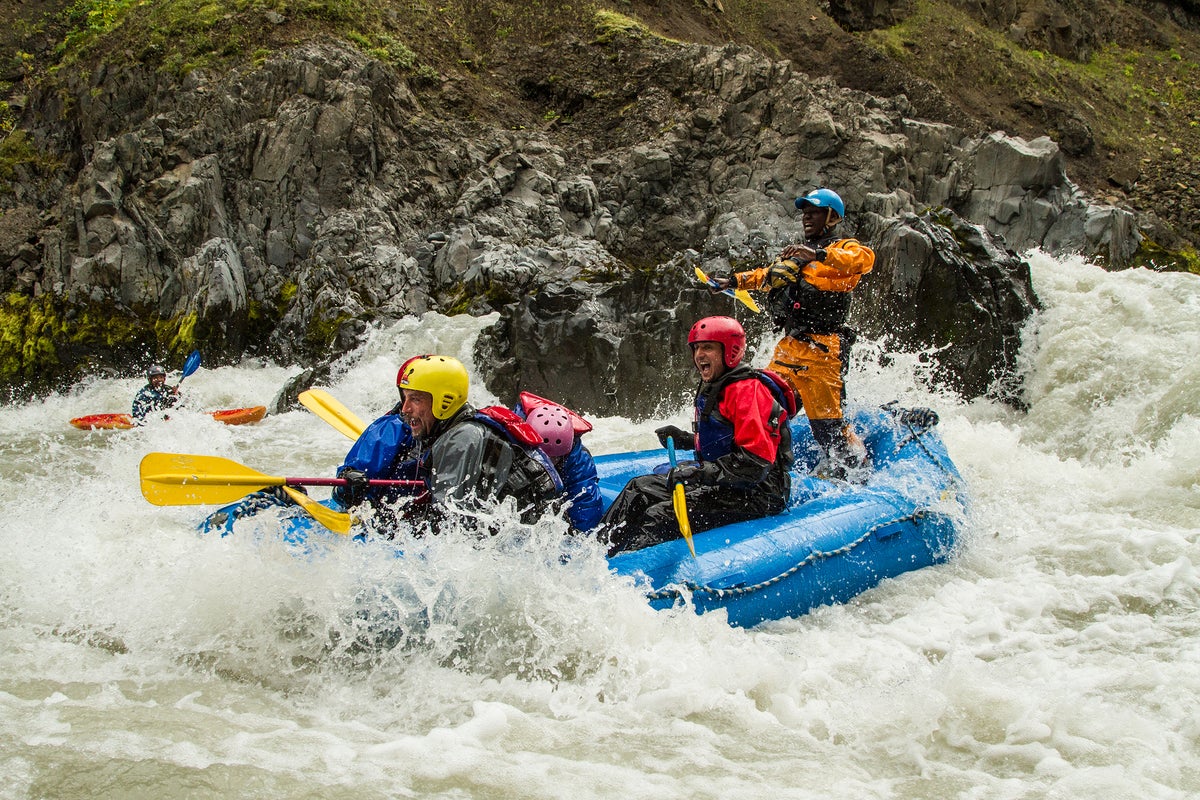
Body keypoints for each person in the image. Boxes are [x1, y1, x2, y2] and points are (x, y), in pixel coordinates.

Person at [710, 188, 875, 479]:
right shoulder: (796, 255)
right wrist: (732, 281)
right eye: (805, 211)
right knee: (762, 405)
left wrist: (819, 253)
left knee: (829, 431)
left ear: (832, 217)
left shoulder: (841, 249)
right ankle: (763, 464)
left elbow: (864, 259)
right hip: (790, 349)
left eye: (814, 211)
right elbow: (765, 275)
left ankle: (859, 468)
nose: (807, 216)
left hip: (823, 353)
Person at [602, 316, 795, 555]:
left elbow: (755, 464)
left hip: (757, 493)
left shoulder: (747, 392)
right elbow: (724, 441)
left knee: (659, 515)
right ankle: (595, 551)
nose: (699, 355)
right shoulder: (719, 384)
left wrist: (697, 472)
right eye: (696, 348)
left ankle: (623, 571)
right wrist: (685, 439)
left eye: (708, 347)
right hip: (727, 484)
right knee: (638, 489)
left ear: (730, 351)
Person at [338, 354, 563, 528]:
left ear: (444, 401)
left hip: (522, 538)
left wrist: (385, 523)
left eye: (415, 399)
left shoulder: (463, 439)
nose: (405, 409)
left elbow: (449, 523)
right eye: (405, 398)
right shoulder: (444, 430)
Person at [518, 396, 603, 533]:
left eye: (555, 458)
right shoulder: (513, 443)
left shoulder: (578, 461)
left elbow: (585, 504)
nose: (549, 463)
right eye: (544, 457)